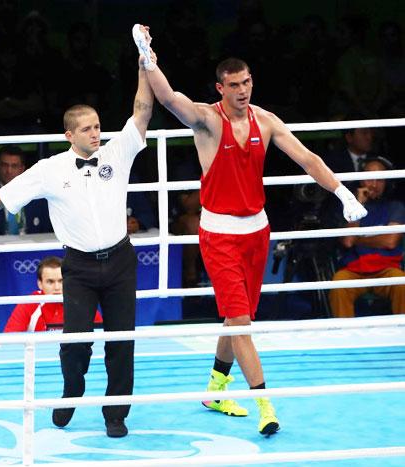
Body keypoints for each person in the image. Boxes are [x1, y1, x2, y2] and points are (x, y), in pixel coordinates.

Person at [133, 24, 367, 436]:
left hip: (257, 233)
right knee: (240, 322)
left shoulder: (267, 120)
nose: (243, 90)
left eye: (247, 82)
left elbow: (308, 158)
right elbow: (169, 98)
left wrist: (341, 191)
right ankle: (265, 404)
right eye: (234, 84)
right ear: (220, 88)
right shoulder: (207, 120)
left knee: (236, 320)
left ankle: (215, 388)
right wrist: (148, 57)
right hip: (219, 235)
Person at [0, 48, 154, 438]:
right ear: (69, 135)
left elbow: (142, 110)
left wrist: (145, 62)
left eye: (98, 126)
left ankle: (115, 414)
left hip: (121, 262)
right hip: (78, 265)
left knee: (121, 341)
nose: (96, 133)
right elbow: (4, 195)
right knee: (75, 340)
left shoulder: (118, 152)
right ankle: (72, 389)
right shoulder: (49, 169)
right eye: (88, 129)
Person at [329, 157, 405, 317]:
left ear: (387, 184)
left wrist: (360, 239)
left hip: (387, 268)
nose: (374, 184)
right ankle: (345, 334)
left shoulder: (395, 207)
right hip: (354, 268)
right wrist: (358, 205)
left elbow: (391, 241)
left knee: (402, 283)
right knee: (339, 284)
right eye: (369, 178)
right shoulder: (349, 208)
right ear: (361, 180)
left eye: (380, 180)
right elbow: (349, 241)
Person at [0, 145, 52, 242]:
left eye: (14, 166)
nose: (9, 171)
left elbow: (48, 233)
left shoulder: (38, 195)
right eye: (4, 165)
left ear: (22, 169)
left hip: (32, 254)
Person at [4, 256, 102, 332]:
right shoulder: (28, 304)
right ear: (40, 284)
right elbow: (10, 338)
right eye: (50, 282)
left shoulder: (81, 303)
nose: (57, 287)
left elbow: (101, 336)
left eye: (61, 281)